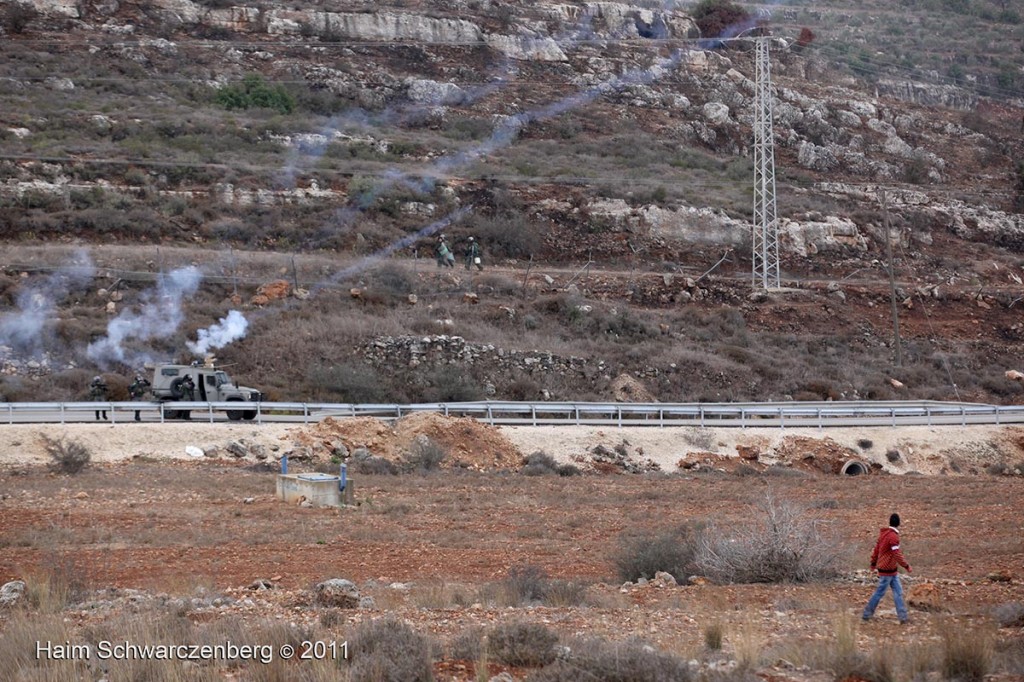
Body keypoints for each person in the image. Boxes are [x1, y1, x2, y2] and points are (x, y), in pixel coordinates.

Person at [862, 512, 912, 624]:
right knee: (880, 593)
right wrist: (906, 566)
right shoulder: (893, 536)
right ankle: (866, 615)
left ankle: (903, 618)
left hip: (890, 570)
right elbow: (896, 554)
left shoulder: (883, 534)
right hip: (887, 570)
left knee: (898, 592)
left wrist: (873, 563)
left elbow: (876, 550)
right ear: (898, 523)